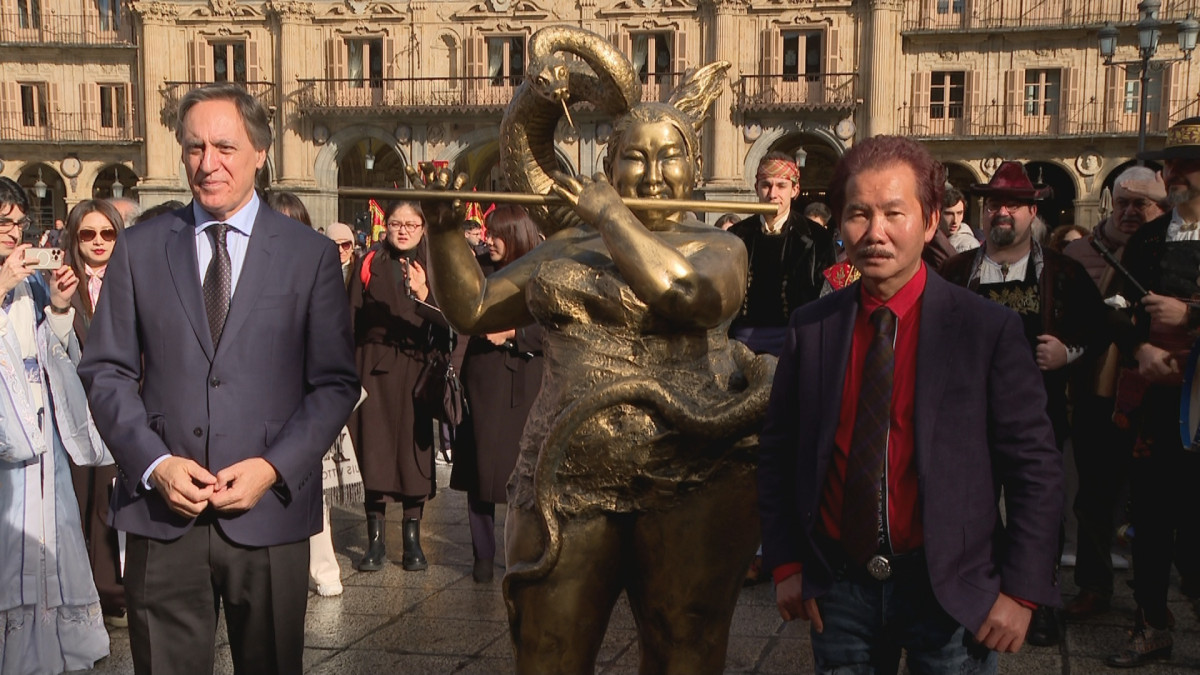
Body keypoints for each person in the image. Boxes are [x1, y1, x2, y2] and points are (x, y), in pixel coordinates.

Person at [418, 60, 773, 673]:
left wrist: (611, 216)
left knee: (682, 646)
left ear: (694, 167)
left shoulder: (721, 247)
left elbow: (685, 296)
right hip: (561, 475)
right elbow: (472, 308)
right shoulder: (566, 246)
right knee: (547, 648)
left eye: (670, 157)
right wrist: (445, 234)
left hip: (691, 472)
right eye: (635, 158)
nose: (655, 175)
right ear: (609, 168)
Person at [77, 83, 360, 674]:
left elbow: (333, 383)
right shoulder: (139, 248)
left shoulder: (308, 256)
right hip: (163, 514)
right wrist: (154, 464)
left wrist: (273, 466)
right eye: (194, 148)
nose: (208, 164)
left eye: (225, 147)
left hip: (271, 511)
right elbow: (106, 370)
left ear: (260, 150)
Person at [757, 136, 1063, 673]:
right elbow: (779, 452)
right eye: (858, 214)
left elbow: (1034, 467)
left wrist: (1022, 591)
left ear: (929, 221)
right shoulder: (813, 327)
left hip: (951, 592)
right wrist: (784, 560)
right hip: (840, 588)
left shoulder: (985, 329)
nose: (875, 233)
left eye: (894, 213)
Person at [941, 161, 1105, 647]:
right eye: (994, 204)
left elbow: (1100, 332)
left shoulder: (1064, 272)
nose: (1001, 213)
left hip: (1040, 411)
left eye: (1012, 204)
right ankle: (977, 597)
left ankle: (1040, 598)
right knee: (974, 508)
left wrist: (1067, 352)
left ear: (1033, 212)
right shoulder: (955, 272)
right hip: (969, 414)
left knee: (1041, 508)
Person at [0, 177, 111, 673]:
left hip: (40, 453)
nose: (14, 234)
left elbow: (51, 359)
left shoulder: (27, 283)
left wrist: (60, 308)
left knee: (47, 549)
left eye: (19, 224)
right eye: (5, 224)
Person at [1102, 117, 1200, 667]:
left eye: (1186, 164)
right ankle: (1151, 623)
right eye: (1170, 163)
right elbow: (1115, 311)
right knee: (1153, 515)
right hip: (1157, 404)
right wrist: (1139, 346)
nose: (1172, 173)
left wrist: (1190, 316)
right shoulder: (1150, 239)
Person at [1060, 166, 1167, 623]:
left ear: (1160, 208)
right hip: (1093, 391)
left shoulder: (1170, 250)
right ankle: (1094, 585)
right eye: (1121, 201)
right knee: (1093, 495)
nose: (1129, 211)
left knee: (1154, 499)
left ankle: (1152, 601)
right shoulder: (1079, 253)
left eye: (1141, 203)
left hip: (1154, 391)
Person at [347, 200, 450, 573]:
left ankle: (412, 540)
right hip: (372, 373)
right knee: (372, 453)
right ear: (385, 226)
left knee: (414, 455)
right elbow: (351, 318)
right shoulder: (369, 262)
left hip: (416, 373)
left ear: (423, 228)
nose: (403, 230)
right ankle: (374, 540)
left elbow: (451, 322)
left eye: (411, 223)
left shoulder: (435, 264)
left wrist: (424, 294)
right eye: (395, 223)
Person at [450, 205, 544, 584]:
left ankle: (523, 550)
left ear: (516, 235)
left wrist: (513, 335)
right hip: (484, 380)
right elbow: (458, 312)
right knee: (480, 470)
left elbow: (555, 327)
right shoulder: (478, 271)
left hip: (527, 381)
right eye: (487, 232)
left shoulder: (540, 272)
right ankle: (483, 554)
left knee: (524, 473)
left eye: (496, 233)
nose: (488, 239)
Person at [61, 199, 128, 628]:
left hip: (119, 408)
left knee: (110, 499)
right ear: (75, 238)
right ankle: (80, 593)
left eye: (108, 233)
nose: (99, 242)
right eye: (88, 234)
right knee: (77, 499)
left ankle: (112, 591)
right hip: (71, 411)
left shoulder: (130, 279)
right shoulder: (60, 282)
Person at [728, 152, 837, 356]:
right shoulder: (736, 235)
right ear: (756, 188)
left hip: (797, 339)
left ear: (795, 190)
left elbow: (827, 300)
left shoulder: (817, 238)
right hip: (741, 342)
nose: (772, 194)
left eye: (781, 186)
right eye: (766, 185)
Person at [941, 186, 980, 253]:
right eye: (949, 214)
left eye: (959, 213)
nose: (955, 220)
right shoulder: (930, 238)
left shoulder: (968, 245)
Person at [327, 221, 358, 286]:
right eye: (335, 246)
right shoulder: (318, 272)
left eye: (345, 245)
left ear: (352, 248)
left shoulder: (359, 271)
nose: (340, 250)